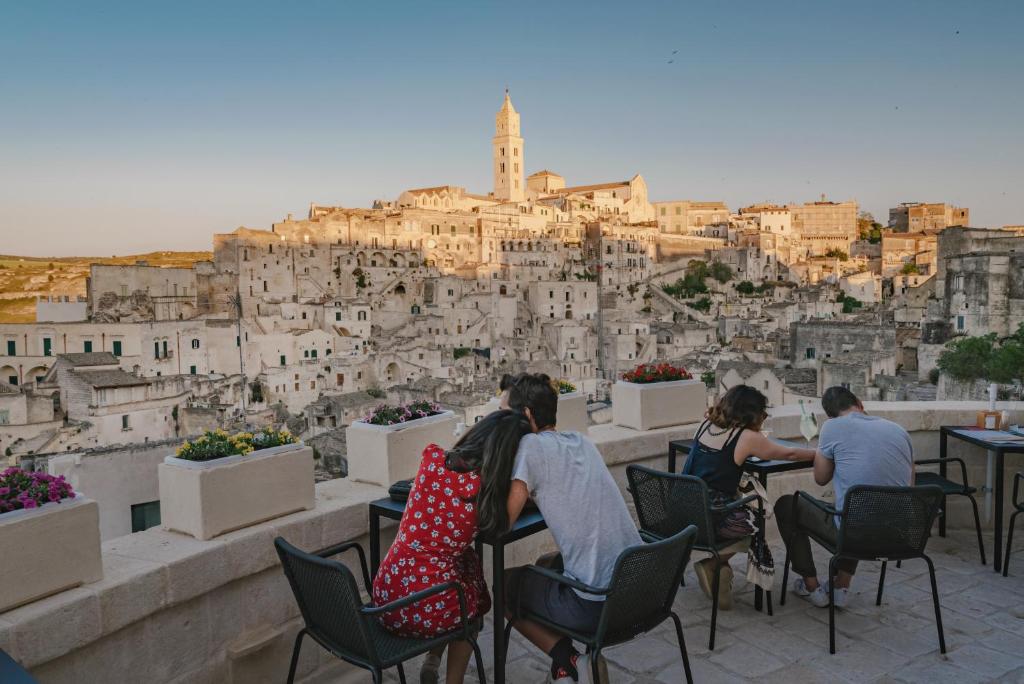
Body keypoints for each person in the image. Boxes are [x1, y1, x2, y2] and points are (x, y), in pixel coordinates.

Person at [372, 409, 532, 684]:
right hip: (423, 609)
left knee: (464, 566)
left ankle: (432, 662)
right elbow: (500, 524)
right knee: (476, 603)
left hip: (387, 597)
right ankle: (452, 681)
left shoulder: (431, 458)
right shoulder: (483, 494)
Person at [504, 373, 641, 683]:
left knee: (504, 585)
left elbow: (503, 521)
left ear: (526, 415)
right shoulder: (582, 442)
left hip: (597, 606)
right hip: (638, 590)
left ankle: (568, 658)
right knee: (543, 565)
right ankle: (565, 668)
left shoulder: (530, 447)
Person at [774, 386, 914, 608]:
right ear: (860, 403)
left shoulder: (832, 427)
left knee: (787, 505)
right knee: (857, 507)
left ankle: (812, 587)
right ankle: (840, 586)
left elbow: (820, 478)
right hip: (901, 536)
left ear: (829, 415)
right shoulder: (898, 430)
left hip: (855, 534)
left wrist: (825, 452)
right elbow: (910, 486)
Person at [683, 385, 816, 609]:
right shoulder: (746, 437)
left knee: (745, 513)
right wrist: (819, 454)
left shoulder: (705, 425)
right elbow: (790, 453)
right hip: (711, 516)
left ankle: (716, 569)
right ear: (752, 413)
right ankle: (714, 563)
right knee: (756, 523)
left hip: (684, 508)